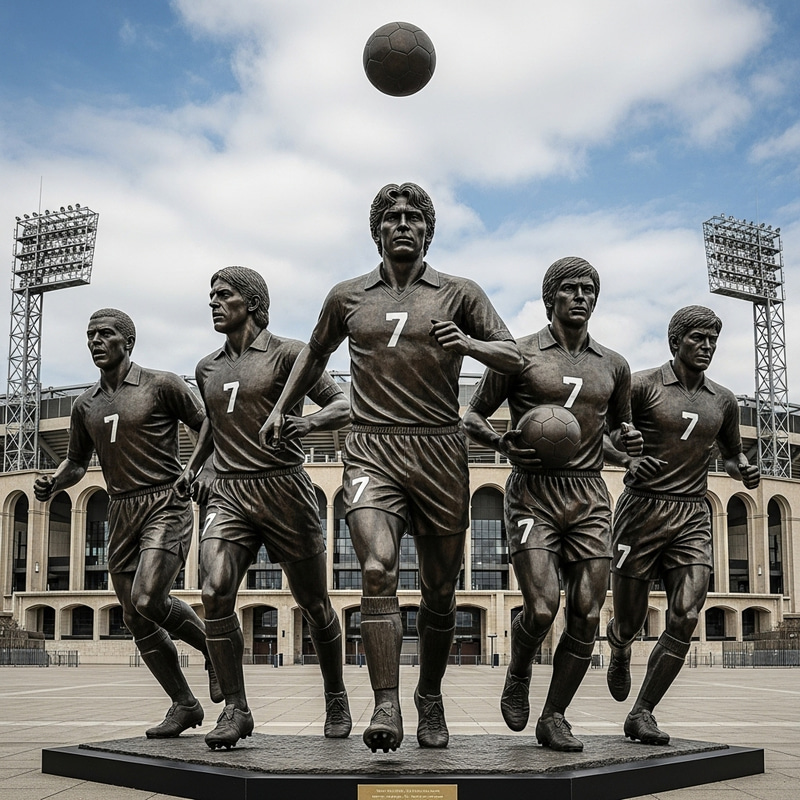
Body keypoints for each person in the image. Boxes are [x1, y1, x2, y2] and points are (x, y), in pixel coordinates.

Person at [260, 183, 522, 752]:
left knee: (440, 592)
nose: (403, 224)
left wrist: (472, 345)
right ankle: (386, 703)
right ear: (377, 229)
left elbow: (515, 357)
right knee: (378, 568)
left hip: (440, 450)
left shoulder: (460, 293)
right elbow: (312, 354)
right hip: (372, 449)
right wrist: (282, 408)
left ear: (428, 230)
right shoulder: (348, 296)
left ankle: (430, 699)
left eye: (413, 217)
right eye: (392, 217)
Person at [462, 256, 642, 752]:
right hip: (533, 493)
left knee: (586, 611)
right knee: (542, 609)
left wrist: (627, 441)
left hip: (588, 495)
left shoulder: (615, 366)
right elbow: (471, 417)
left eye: (589, 289)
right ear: (550, 300)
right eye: (570, 289)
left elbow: (616, 434)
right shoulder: (517, 355)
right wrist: (502, 445)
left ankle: (555, 715)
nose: (581, 296)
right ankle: (518, 670)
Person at [175, 266, 352, 750]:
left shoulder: (291, 355)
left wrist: (304, 424)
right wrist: (196, 465)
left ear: (251, 303)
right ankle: (236, 708)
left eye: (224, 294)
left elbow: (344, 406)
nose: (213, 301)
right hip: (230, 493)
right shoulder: (206, 368)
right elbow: (212, 421)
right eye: (210, 294)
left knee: (314, 604)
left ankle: (335, 694)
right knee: (214, 591)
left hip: (285, 490)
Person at [34, 309, 218, 738]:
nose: (96, 341)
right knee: (136, 619)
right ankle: (184, 705)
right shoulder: (86, 405)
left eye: (106, 334)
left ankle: (213, 646)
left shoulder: (162, 384)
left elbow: (207, 423)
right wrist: (54, 481)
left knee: (150, 598)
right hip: (120, 510)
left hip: (165, 503)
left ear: (127, 342)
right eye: (90, 335)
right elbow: (77, 463)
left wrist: (197, 469)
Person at [603, 305, 759, 744]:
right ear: (676, 342)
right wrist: (626, 458)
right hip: (641, 512)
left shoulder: (723, 400)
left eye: (712, 339)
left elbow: (730, 454)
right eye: (697, 338)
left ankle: (643, 711)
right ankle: (619, 647)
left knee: (686, 613)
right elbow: (600, 431)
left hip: (691, 515)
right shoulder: (642, 386)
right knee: (630, 618)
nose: (707, 346)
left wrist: (742, 467)